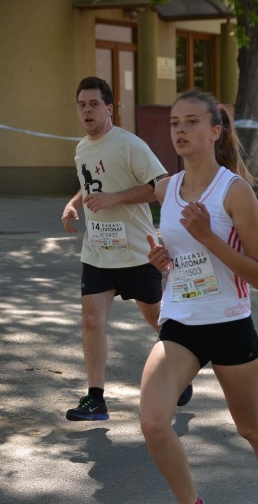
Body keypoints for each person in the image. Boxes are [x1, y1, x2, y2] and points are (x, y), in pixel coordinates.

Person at [139, 89, 258, 504]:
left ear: (214, 131)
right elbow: (180, 255)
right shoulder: (166, 189)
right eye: (174, 123)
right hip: (181, 324)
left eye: (191, 122)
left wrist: (208, 237)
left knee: (250, 428)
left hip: (229, 324)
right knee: (153, 421)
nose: (180, 130)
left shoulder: (234, 192)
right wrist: (164, 260)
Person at [62, 76, 192, 420]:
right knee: (91, 320)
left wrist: (114, 198)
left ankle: (182, 367)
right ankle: (96, 399)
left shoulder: (129, 144)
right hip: (98, 252)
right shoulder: (82, 148)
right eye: (82, 105)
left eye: (94, 104)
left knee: (156, 317)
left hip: (136, 252)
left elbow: (160, 185)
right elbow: (89, 183)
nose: (87, 111)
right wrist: (73, 203)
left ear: (109, 108)